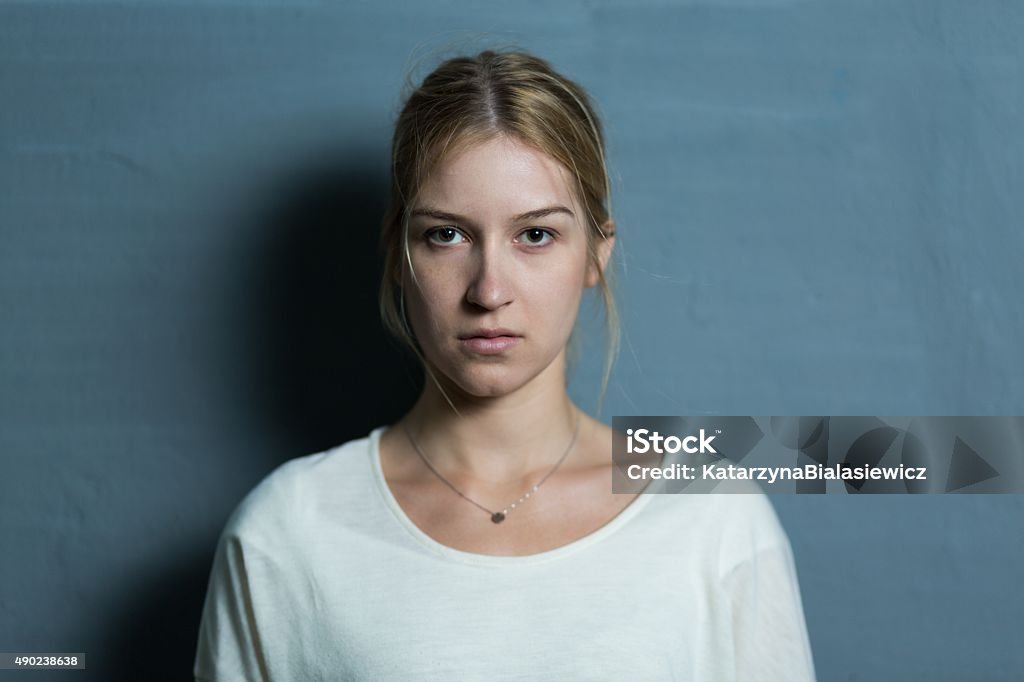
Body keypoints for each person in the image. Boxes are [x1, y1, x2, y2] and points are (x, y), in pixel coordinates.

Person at [193, 48, 816, 681]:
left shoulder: (712, 517)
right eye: (446, 234)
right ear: (396, 254)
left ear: (596, 253)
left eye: (536, 235)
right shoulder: (288, 533)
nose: (489, 291)